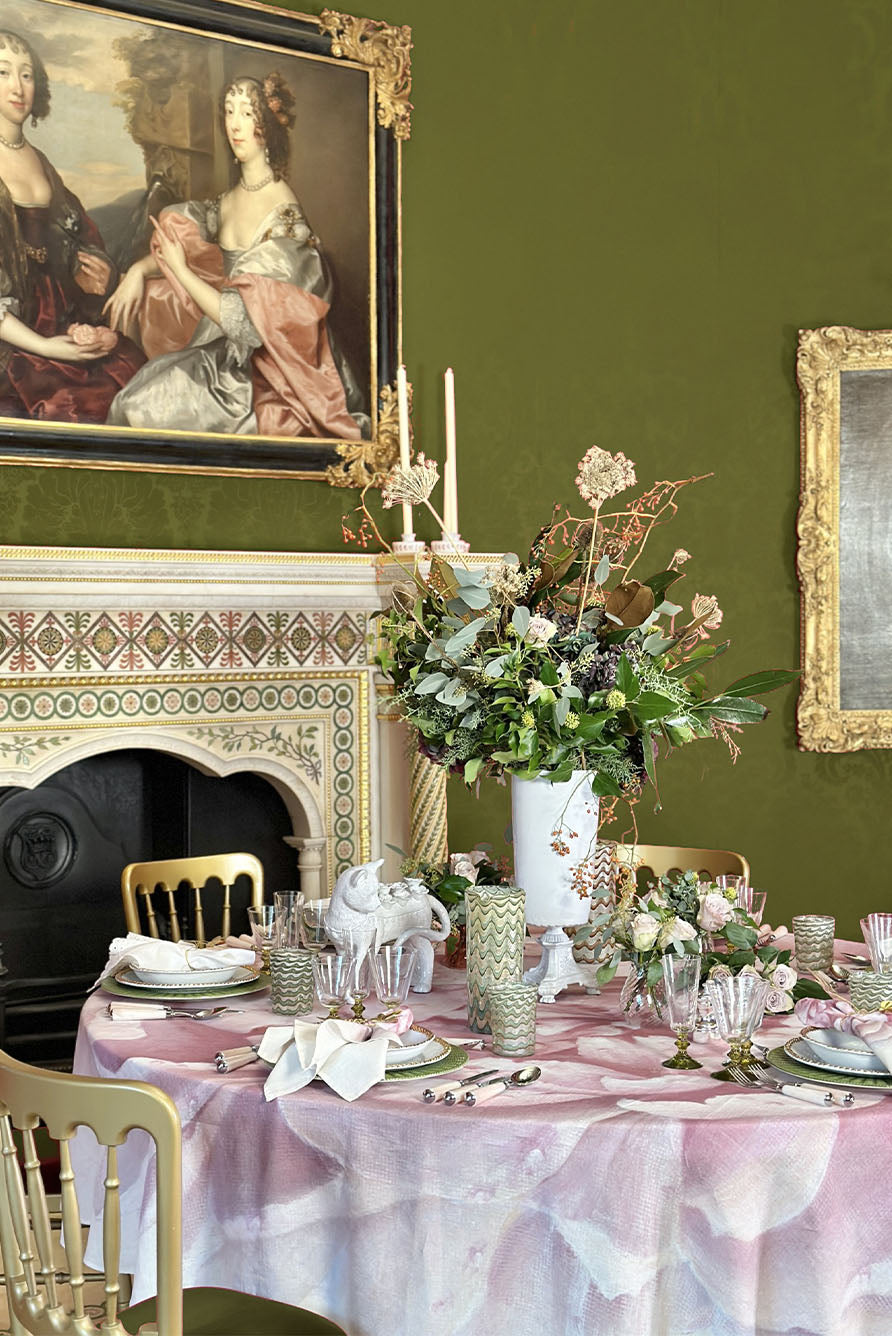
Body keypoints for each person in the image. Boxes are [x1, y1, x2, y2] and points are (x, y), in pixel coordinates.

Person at [105, 71, 368, 440]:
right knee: (130, 400)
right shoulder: (227, 201)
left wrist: (180, 271)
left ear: (269, 124)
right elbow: (183, 247)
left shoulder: (283, 213)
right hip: (223, 351)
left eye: (247, 113)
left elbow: (245, 326)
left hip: (267, 373)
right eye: (229, 112)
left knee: (138, 408)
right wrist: (137, 270)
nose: (235, 125)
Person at [0, 31, 145, 421]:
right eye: (3, 72)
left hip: (59, 310)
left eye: (27, 75)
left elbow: (81, 235)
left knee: (128, 376)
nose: (18, 86)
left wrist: (100, 277)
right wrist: (48, 349)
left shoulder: (41, 161)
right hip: (13, 331)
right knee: (63, 404)